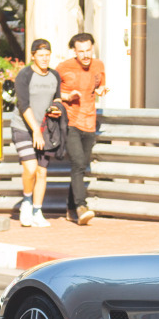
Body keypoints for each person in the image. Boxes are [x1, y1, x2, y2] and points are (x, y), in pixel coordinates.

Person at [56, 33, 107, 225]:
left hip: (90, 122)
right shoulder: (63, 67)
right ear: (74, 51)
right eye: (81, 51)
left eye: (88, 50)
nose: (85, 55)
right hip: (70, 122)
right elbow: (53, 91)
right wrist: (68, 97)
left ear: (92, 49)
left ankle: (70, 209)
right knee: (78, 163)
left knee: (81, 165)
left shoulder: (99, 66)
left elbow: (100, 85)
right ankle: (81, 206)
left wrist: (102, 90)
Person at [12, 39, 62, 227]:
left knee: (42, 172)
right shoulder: (24, 75)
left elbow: (57, 97)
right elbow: (23, 105)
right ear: (33, 56)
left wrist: (57, 108)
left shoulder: (54, 75)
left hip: (45, 128)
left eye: (47, 55)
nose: (44, 59)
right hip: (23, 127)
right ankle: (26, 201)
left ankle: (37, 210)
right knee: (30, 168)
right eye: (41, 55)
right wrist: (35, 131)